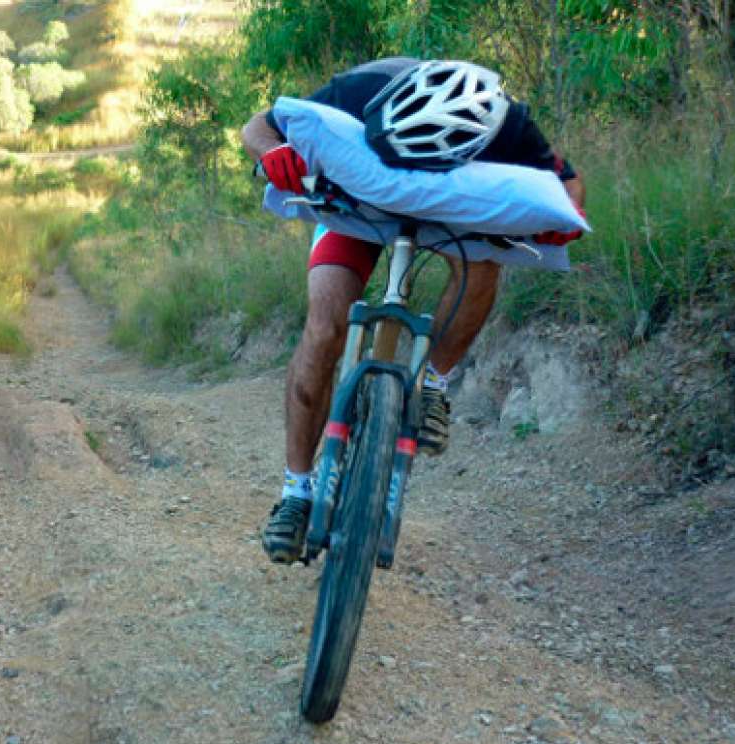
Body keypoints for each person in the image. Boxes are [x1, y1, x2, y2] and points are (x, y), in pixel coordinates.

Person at [241, 59, 587, 564]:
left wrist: (566, 218)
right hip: (355, 208)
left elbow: (568, 182)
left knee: (483, 265)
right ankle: (296, 492)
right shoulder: (359, 88)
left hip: (445, 209)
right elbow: (259, 126)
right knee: (323, 328)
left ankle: (434, 387)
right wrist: (273, 155)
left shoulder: (507, 121)